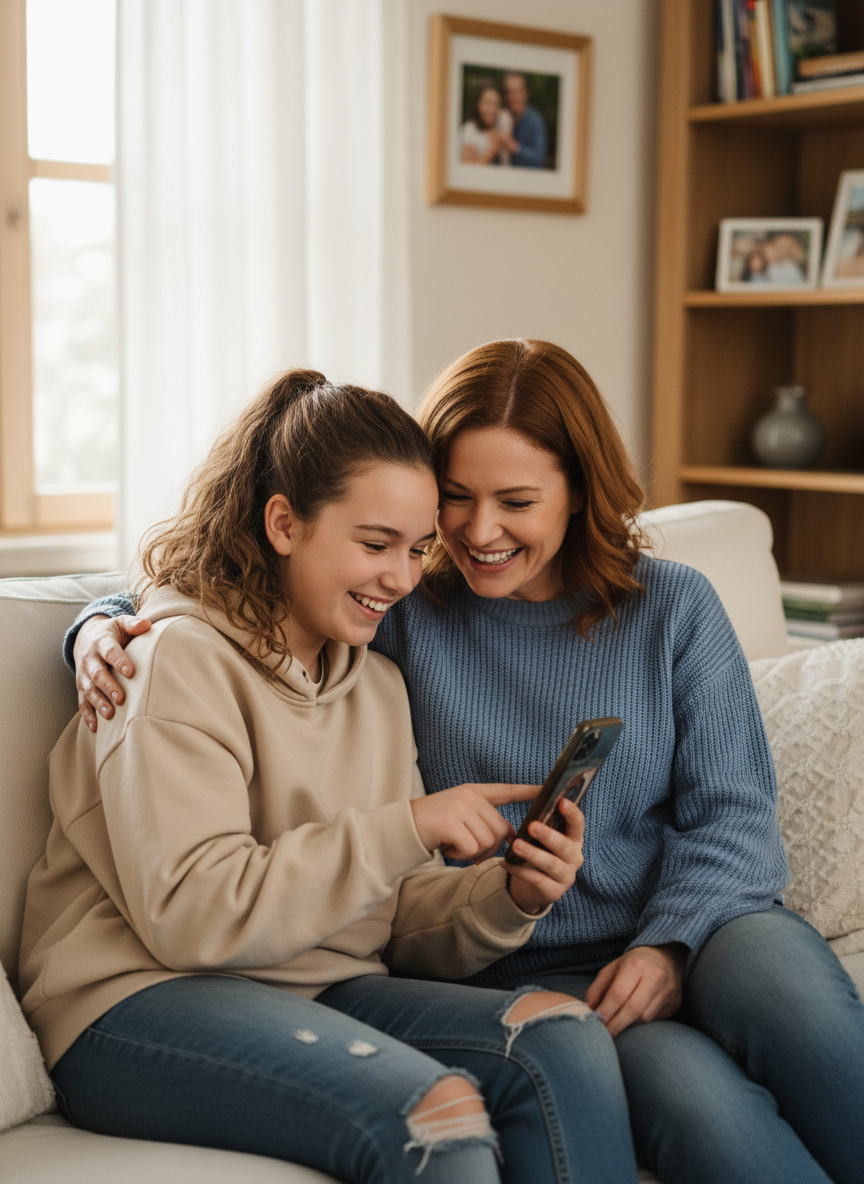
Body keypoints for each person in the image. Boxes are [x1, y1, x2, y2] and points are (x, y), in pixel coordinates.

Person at [68, 341, 864, 1184]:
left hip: (695, 927)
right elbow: (237, 587)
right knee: (708, 1114)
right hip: (528, 957)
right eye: (457, 500)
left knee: (789, 992)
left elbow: (735, 817)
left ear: (577, 492)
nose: (479, 532)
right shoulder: (404, 612)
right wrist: (98, 626)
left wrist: (668, 948)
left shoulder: (672, 606)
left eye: (517, 500)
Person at [21, 369, 642, 1184]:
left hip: (320, 984)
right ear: (283, 522)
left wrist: (508, 895)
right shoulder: (172, 662)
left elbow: (392, 919)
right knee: (436, 1117)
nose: (403, 578)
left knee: (562, 1035)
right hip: (137, 1002)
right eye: (375, 544)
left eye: (419, 548)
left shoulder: (375, 685)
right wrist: (409, 826)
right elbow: (191, 917)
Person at [459, 78, 512, 166]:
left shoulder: (497, 129)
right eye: (488, 103)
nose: (493, 109)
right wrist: (494, 148)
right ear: (478, 104)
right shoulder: (470, 129)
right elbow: (468, 167)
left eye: (497, 104)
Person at [499, 73, 547, 169]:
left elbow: (539, 159)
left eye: (516, 92)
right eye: (508, 92)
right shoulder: (499, 117)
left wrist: (514, 147)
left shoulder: (536, 121)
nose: (512, 97)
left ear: (526, 93)